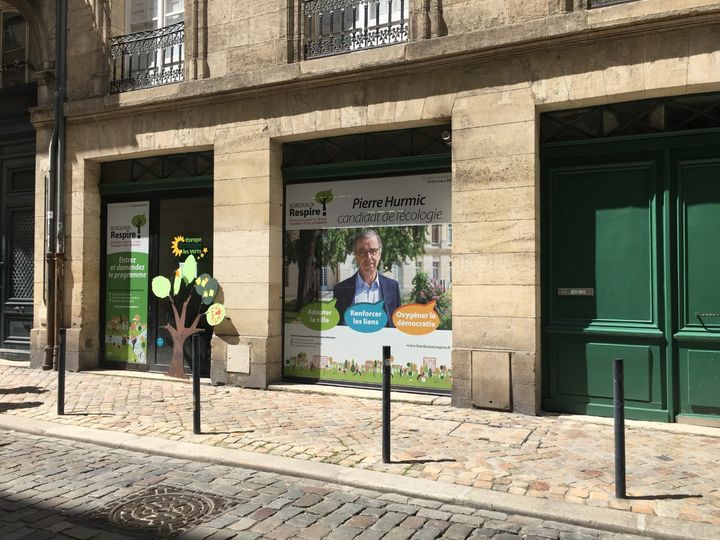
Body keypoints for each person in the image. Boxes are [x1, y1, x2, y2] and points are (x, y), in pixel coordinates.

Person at [333, 230, 401, 328]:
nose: (368, 257)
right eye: (362, 252)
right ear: (356, 256)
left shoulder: (392, 287)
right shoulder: (341, 290)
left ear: (379, 254)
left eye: (373, 251)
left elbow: (396, 326)